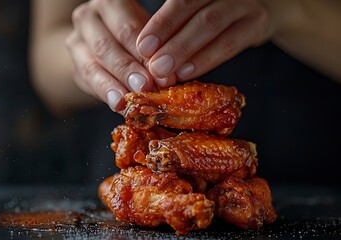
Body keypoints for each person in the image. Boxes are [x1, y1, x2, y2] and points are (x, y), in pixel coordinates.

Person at [30, 0, 341, 185]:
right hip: (135, 180)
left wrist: (288, 10)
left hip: (320, 182)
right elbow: (48, 61)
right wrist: (94, 55)